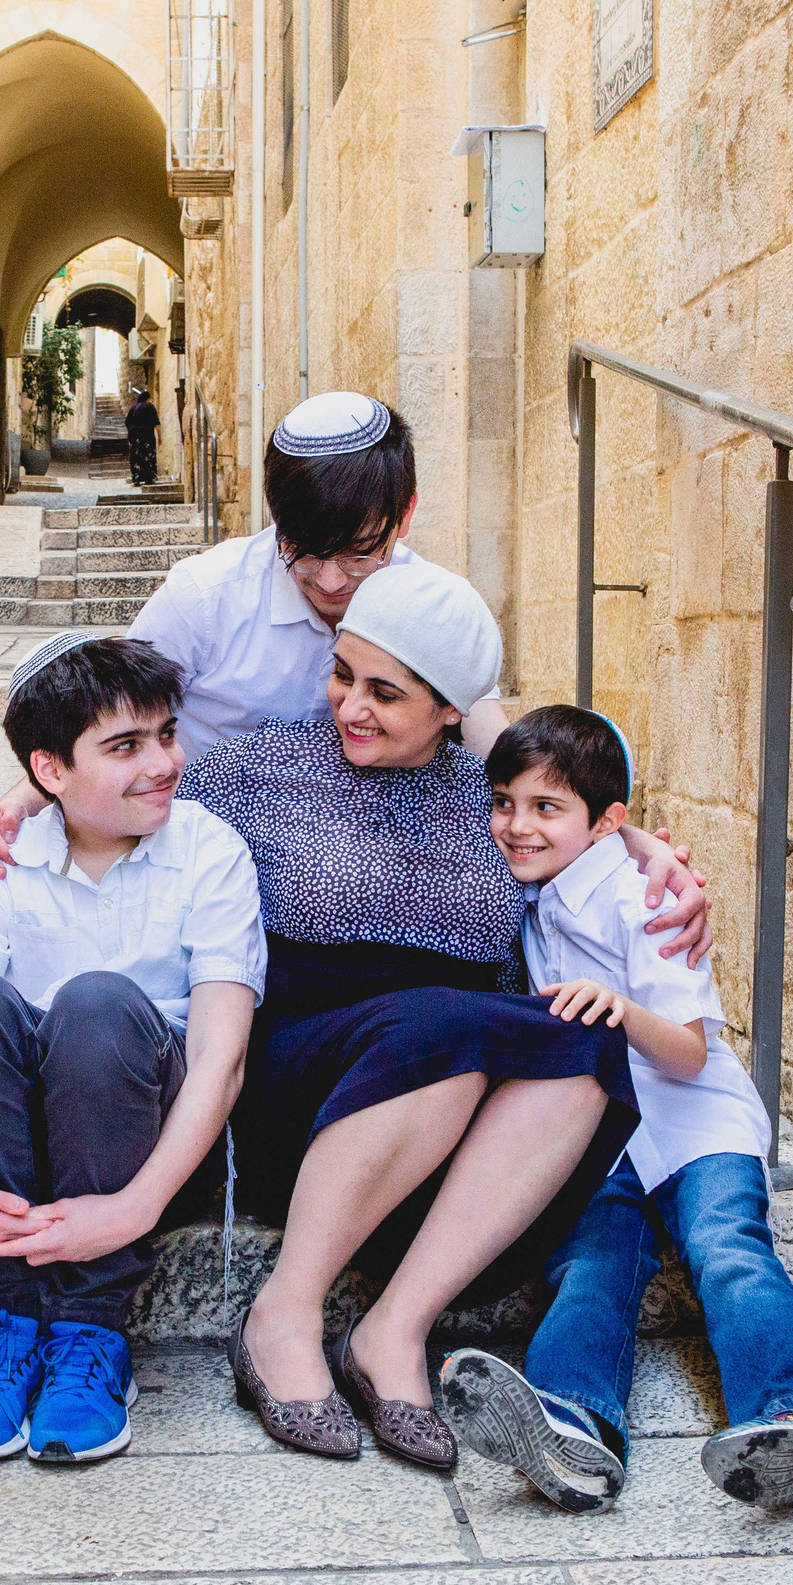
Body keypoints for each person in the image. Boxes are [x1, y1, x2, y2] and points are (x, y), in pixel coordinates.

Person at [0, 392, 713, 963]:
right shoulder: (206, 597)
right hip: (204, 868)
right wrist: (7, 818)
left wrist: (627, 841)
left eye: (361, 552)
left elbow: (504, 753)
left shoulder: (421, 604)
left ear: (405, 515)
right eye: (305, 551)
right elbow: (100, 721)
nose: (335, 581)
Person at [180, 565, 640, 1468]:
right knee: (446, 1025)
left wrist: (645, 847)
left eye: (384, 692)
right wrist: (5, 826)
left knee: (586, 1043)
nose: (349, 704)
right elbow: (119, 809)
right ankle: (282, 1312)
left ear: (450, 709)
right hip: (296, 1093)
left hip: (441, 1122)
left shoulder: (497, 800)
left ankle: (393, 1327)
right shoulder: (256, 769)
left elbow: (592, 833)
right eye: (342, 673)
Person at [438, 705, 793, 1515]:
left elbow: (686, 1051)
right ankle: (570, 1421)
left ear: (606, 820)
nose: (516, 825)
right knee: (590, 1265)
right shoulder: (535, 887)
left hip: (696, 1128)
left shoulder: (642, 898)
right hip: (603, 1139)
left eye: (546, 808)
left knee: (726, 1248)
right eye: (504, 802)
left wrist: (615, 1007)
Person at [0, 633, 265, 1466]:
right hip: (13, 1143)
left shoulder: (209, 851)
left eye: (167, 734)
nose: (163, 762)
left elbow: (222, 1058)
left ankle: (89, 1335)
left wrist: (137, 1204)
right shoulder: (2, 859)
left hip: (140, 1131)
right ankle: (9, 1329)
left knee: (96, 1003)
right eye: (125, 746)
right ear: (50, 770)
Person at [124, 386, 161, 485]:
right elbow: (157, 424)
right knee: (147, 455)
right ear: (147, 398)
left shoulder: (133, 408)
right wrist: (160, 437)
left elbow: (127, 423)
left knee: (136, 456)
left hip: (134, 437)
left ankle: (136, 477)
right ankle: (149, 477)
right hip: (147, 436)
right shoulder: (150, 407)